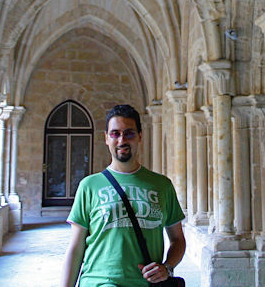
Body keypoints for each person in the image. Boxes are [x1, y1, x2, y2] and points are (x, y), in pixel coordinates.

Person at [61, 104, 186, 286]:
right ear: (106, 138)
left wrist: (167, 267)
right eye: (115, 134)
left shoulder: (162, 185)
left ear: (140, 137)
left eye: (129, 133)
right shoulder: (89, 186)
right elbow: (75, 247)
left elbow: (178, 239)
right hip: (97, 281)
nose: (122, 140)